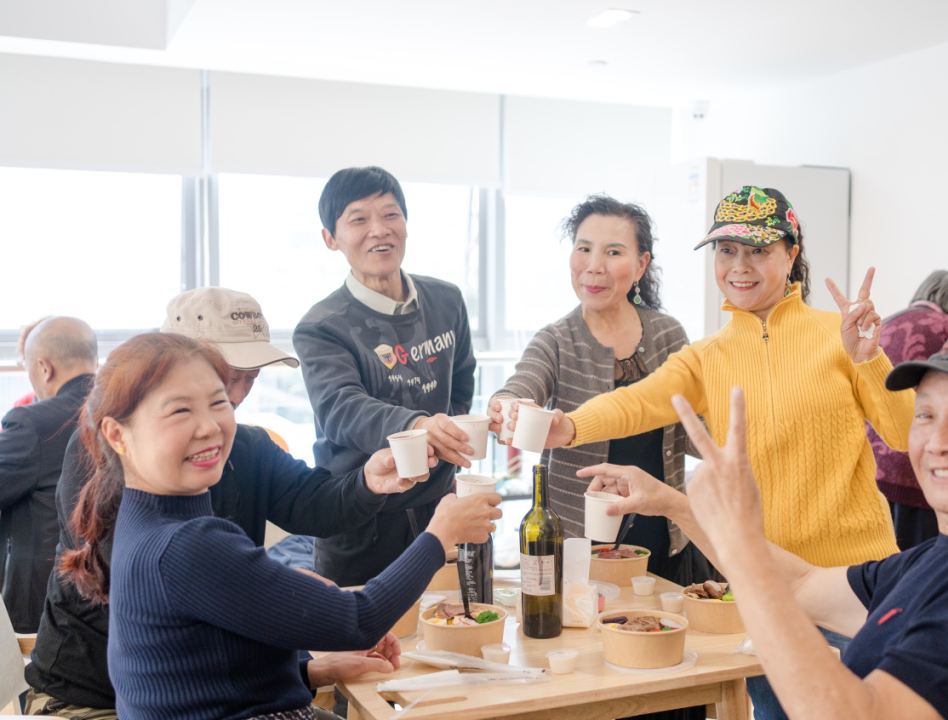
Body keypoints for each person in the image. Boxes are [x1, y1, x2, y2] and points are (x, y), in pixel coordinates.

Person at [539, 186, 915, 719]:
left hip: (857, 586)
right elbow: (637, 401)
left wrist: (870, 360)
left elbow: (904, 433)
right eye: (726, 250)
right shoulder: (706, 357)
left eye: (758, 251)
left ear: (791, 254)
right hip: (768, 592)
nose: (739, 266)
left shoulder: (840, 336)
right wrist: (570, 425)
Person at [628, 325, 948, 719]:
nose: (938, 441)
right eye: (925, 414)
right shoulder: (945, 558)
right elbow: (801, 585)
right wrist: (673, 505)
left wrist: (743, 546)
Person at [25, 288, 437, 718]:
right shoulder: (120, 475)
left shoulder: (243, 446)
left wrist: (368, 482)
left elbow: (314, 503)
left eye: (249, 377)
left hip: (215, 690)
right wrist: (278, 589)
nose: (237, 393)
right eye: (225, 375)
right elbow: (194, 581)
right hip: (92, 694)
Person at [488, 195, 711, 584]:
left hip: (663, 535)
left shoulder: (668, 334)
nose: (594, 266)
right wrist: (506, 406)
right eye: (584, 248)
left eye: (613, 252)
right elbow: (523, 383)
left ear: (641, 264)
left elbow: (697, 433)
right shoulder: (557, 340)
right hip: (580, 542)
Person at [294, 166, 477, 587]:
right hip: (361, 519)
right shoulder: (321, 326)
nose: (379, 230)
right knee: (363, 630)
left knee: (454, 622)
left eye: (391, 214)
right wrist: (417, 426)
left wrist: (444, 440)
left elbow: (462, 380)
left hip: (439, 509)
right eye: (358, 219)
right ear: (331, 238)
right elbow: (341, 408)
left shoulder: (446, 301)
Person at [0, 317, 96, 632]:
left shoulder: (32, 422)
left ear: (44, 367)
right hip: (107, 591)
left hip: (41, 602)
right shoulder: (123, 409)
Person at [868, 270, 948, 550]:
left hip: (870, 470)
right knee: (923, 567)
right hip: (924, 471)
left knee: (879, 567)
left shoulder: (882, 326)